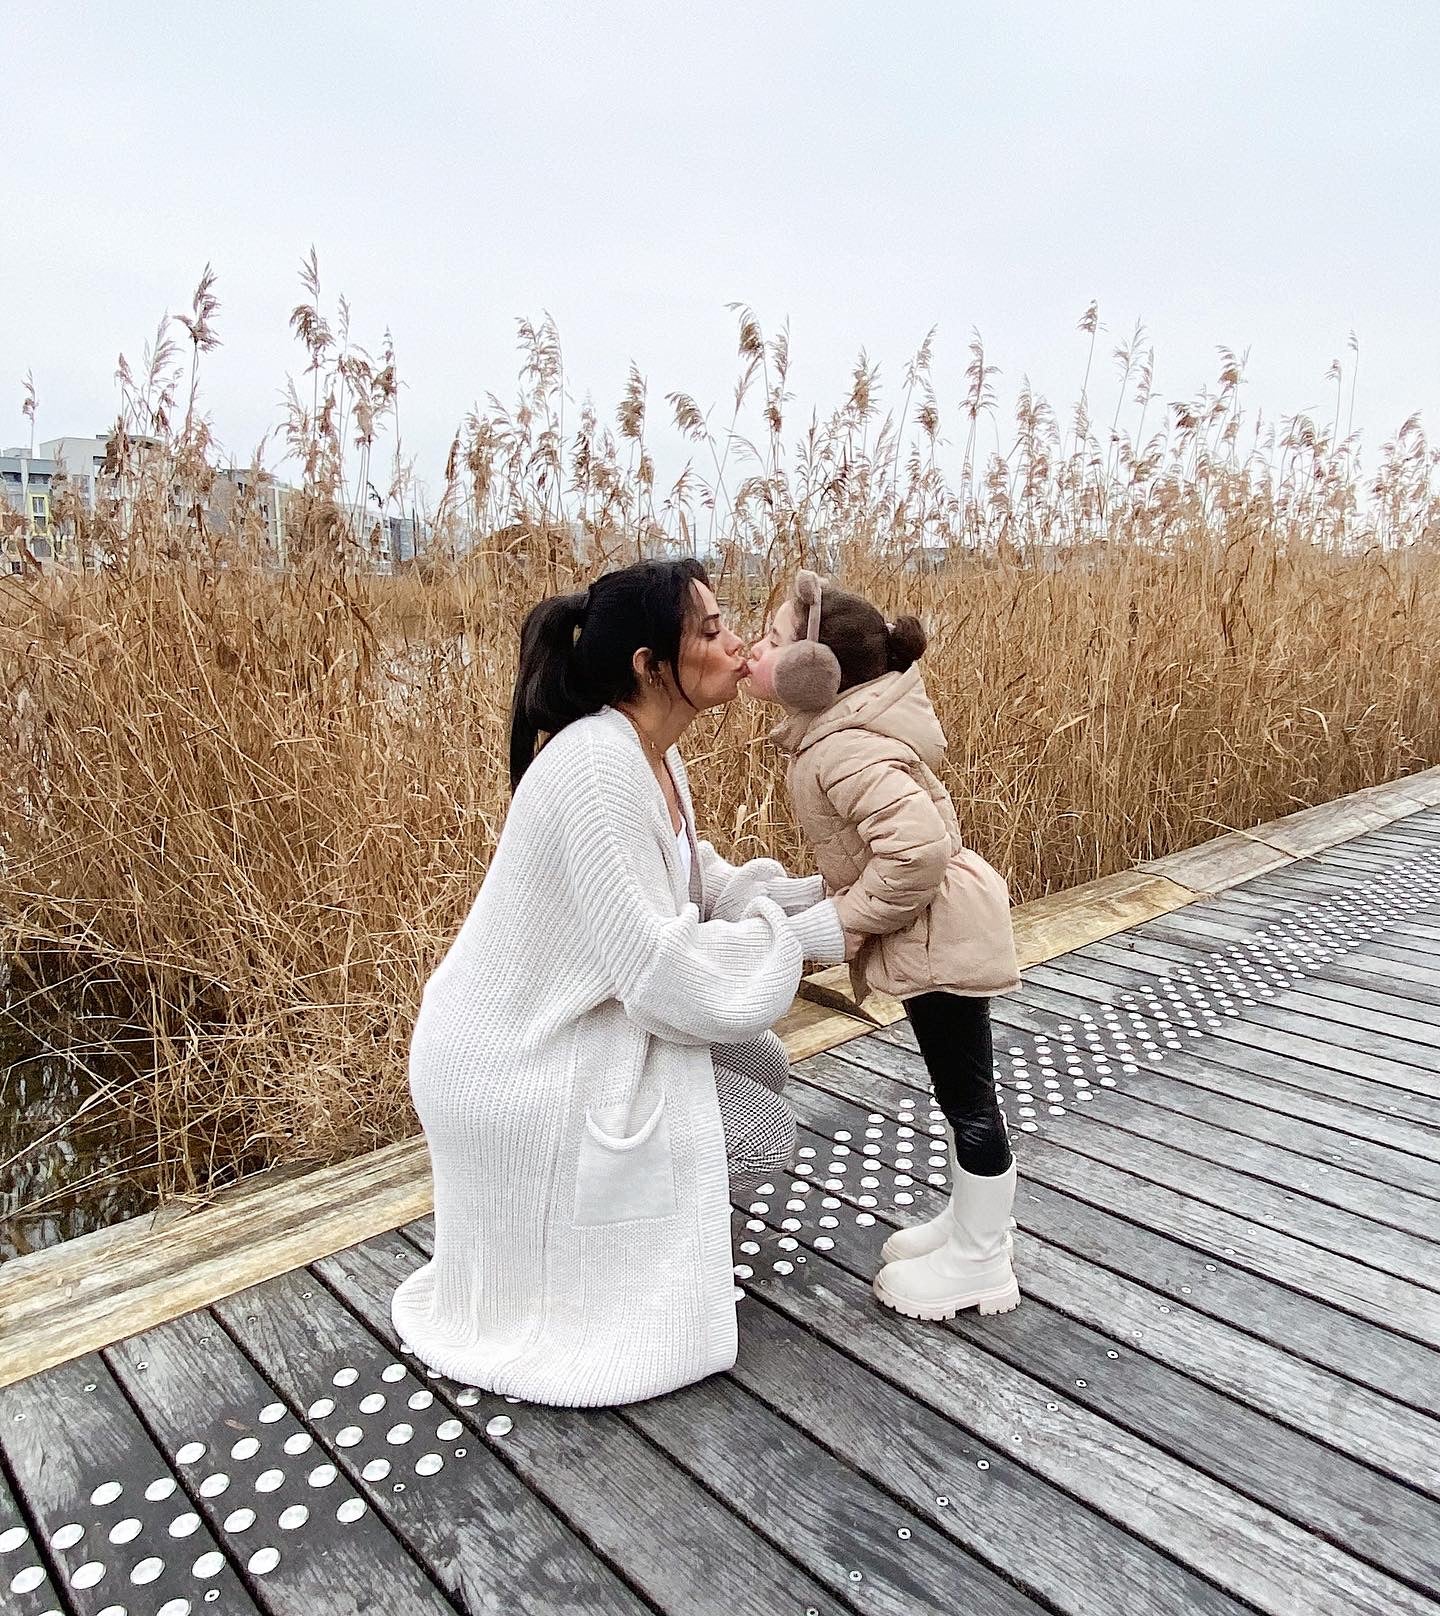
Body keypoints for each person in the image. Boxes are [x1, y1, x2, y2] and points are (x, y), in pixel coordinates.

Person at [392, 558, 845, 1408]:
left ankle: (638, 1245)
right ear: (648, 665)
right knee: (758, 1135)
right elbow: (662, 974)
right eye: (709, 631)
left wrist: (821, 897)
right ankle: (602, 1283)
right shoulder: (596, 764)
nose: (736, 640)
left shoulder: (648, 754)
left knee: (762, 1065)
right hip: (511, 1060)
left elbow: (694, 880)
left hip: (566, 1023)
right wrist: (818, 936)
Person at [746, 569, 1022, 1321]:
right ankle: (972, 1226)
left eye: (772, 642)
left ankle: (983, 1259)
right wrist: (817, 893)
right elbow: (873, 853)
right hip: (933, 930)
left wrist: (849, 921)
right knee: (962, 1094)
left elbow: (917, 852)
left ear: (814, 672)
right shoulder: (835, 738)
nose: (756, 652)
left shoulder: (845, 749)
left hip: (939, 935)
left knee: (969, 1101)